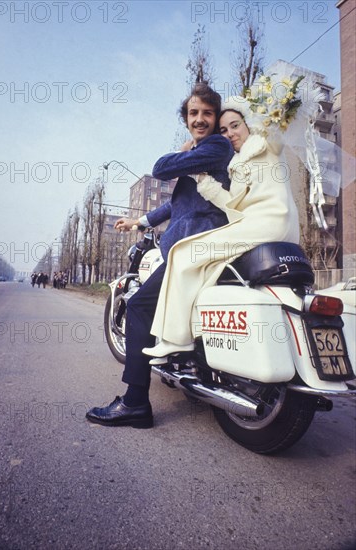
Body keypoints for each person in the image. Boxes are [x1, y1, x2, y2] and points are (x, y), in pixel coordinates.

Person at [86, 82, 234, 428]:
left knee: (139, 306)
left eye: (207, 113)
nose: (200, 119)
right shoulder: (204, 159)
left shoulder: (215, 146)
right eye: (193, 113)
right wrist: (139, 220)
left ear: (215, 118)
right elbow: (178, 203)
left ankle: (135, 402)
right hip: (192, 240)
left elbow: (161, 166)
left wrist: (184, 150)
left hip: (195, 245)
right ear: (186, 117)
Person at [143, 91, 304, 358]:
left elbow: (276, 124)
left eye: (235, 125)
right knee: (207, 265)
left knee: (183, 253)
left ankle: (176, 337)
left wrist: (278, 100)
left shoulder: (266, 142)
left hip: (268, 224)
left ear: (250, 124)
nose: (229, 133)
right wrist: (203, 180)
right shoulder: (238, 165)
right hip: (260, 227)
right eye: (223, 129)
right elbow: (233, 205)